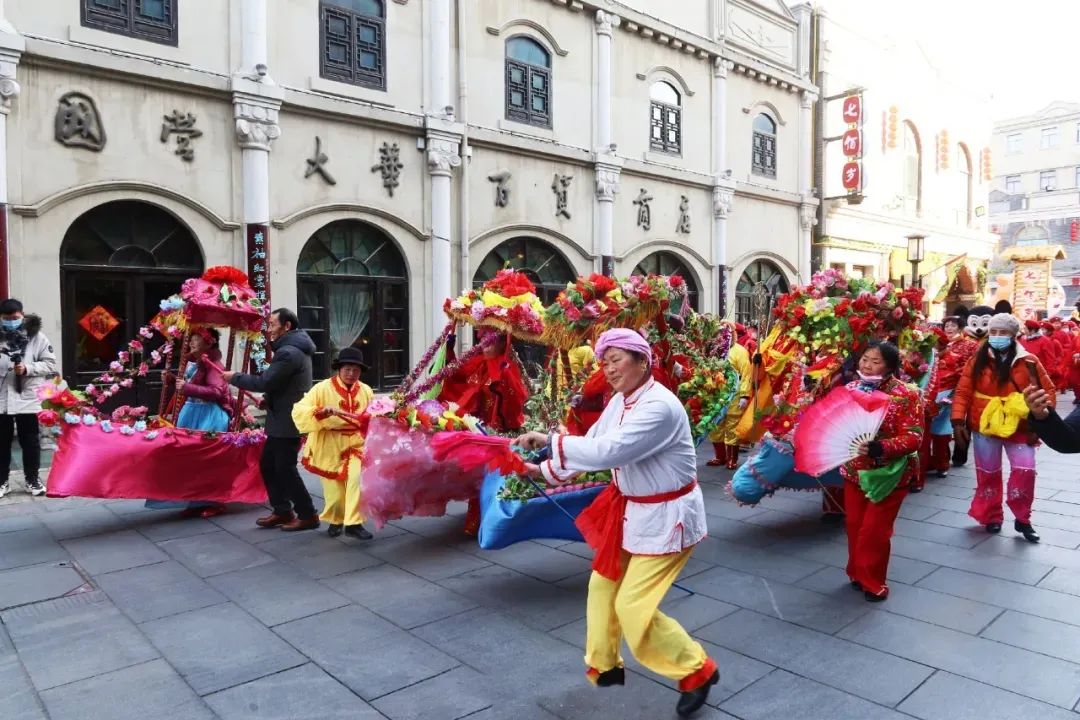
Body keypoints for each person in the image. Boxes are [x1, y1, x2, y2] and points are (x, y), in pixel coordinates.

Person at [514, 328, 718, 718]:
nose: (608, 369)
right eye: (604, 362)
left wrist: (549, 441)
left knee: (633, 607)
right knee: (602, 584)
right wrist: (540, 471)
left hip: (669, 518)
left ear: (643, 361)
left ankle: (696, 669)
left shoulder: (660, 406)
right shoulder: (620, 402)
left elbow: (609, 451)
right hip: (631, 512)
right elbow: (593, 441)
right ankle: (605, 663)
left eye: (616, 360)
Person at [952, 313, 1052, 543]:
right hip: (985, 423)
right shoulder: (977, 360)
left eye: (1003, 332)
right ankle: (991, 515)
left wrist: (1041, 420)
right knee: (988, 472)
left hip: (1020, 424)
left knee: (1025, 471)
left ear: (1014, 335)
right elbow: (963, 391)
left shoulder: (1029, 361)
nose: (997, 336)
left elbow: (1047, 391)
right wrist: (958, 420)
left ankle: (1023, 518)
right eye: (994, 332)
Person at [842, 341, 923, 602]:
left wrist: (881, 447)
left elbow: (914, 437)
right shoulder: (850, 390)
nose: (867, 365)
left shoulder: (906, 394)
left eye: (875, 361)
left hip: (889, 473)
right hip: (855, 470)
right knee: (854, 525)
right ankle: (856, 572)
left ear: (889, 366)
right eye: (865, 359)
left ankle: (873, 582)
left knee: (874, 530)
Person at [224, 308, 319, 531]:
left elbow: (266, 381)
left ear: (287, 326)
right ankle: (282, 510)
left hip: (288, 420)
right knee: (268, 464)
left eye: (274, 324)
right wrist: (268, 399)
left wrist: (235, 377)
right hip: (282, 416)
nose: (270, 329)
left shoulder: (289, 352)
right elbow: (282, 384)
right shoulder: (292, 348)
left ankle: (308, 514)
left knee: (285, 467)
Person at [438, 328, 528, 535]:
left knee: (494, 476)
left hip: (497, 431)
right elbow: (456, 376)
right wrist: (449, 350)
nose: (485, 346)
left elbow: (516, 399)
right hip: (476, 428)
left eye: (491, 342)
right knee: (478, 476)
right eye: (483, 341)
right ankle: (477, 520)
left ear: (501, 344)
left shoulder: (507, 366)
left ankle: (494, 520)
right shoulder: (476, 363)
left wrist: (504, 380)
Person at [147, 327, 231, 517]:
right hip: (191, 412)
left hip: (207, 415)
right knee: (185, 459)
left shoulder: (213, 364)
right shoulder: (194, 362)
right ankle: (193, 500)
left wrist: (187, 388)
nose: (191, 342)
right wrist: (171, 380)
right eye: (191, 338)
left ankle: (213, 501)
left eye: (196, 338)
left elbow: (216, 392)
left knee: (205, 460)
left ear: (208, 343)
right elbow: (187, 385)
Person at [292, 347, 374, 540]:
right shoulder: (322, 388)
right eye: (347, 369)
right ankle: (336, 520)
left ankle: (354, 524)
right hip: (329, 444)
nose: (351, 373)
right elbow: (300, 409)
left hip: (357, 443)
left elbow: (374, 415)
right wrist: (320, 411)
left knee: (356, 481)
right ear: (339, 368)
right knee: (334, 492)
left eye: (356, 370)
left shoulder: (366, 390)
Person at [0, 299, 57, 498]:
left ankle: (32, 479)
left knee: (30, 441)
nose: (11, 322)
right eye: (6, 318)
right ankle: (2, 481)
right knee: (1, 442)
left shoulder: (37, 337)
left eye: (15, 318)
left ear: (22, 315)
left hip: (28, 397)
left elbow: (50, 364)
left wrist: (28, 368)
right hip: (2, 398)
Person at [919, 316, 979, 486]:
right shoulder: (925, 357)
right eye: (947, 325)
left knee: (942, 435)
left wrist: (953, 397)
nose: (950, 328)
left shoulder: (965, 349)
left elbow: (965, 376)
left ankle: (944, 463)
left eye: (953, 325)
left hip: (948, 399)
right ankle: (928, 463)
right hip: (927, 399)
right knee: (925, 436)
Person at [707, 324, 752, 469]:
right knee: (715, 425)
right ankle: (720, 456)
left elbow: (746, 374)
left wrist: (744, 395)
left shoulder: (740, 351)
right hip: (716, 394)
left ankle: (732, 458)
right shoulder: (714, 351)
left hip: (735, 393)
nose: (721, 337)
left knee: (732, 424)